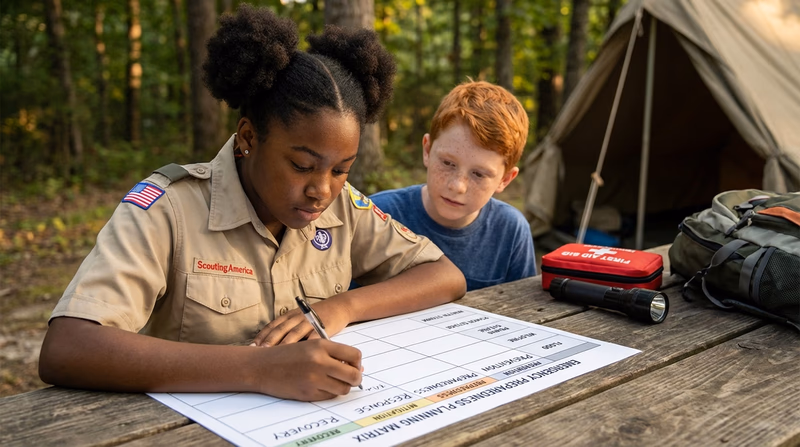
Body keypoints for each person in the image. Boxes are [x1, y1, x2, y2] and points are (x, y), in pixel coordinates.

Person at [38, 5, 466, 402]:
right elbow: (69, 347)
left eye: (341, 170)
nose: (322, 190)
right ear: (248, 138)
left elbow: (444, 276)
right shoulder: (168, 211)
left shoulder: (341, 209)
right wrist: (258, 369)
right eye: (302, 165)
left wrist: (341, 307)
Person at [370, 80, 536, 291]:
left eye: (478, 174)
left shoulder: (511, 231)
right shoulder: (379, 215)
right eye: (448, 163)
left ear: (505, 179)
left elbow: (523, 312)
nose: (458, 186)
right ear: (427, 150)